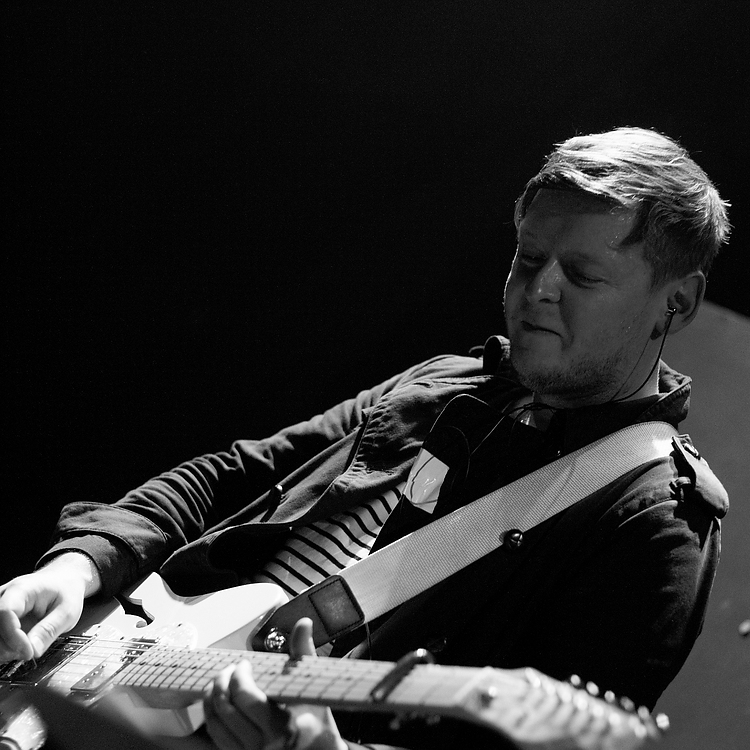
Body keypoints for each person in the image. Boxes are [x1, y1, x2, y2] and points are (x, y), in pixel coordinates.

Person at [0, 127, 731, 750]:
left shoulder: (656, 523)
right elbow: (230, 476)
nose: (538, 289)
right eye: (529, 259)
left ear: (679, 301)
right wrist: (77, 570)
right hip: (107, 653)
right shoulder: (448, 380)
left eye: (581, 273)